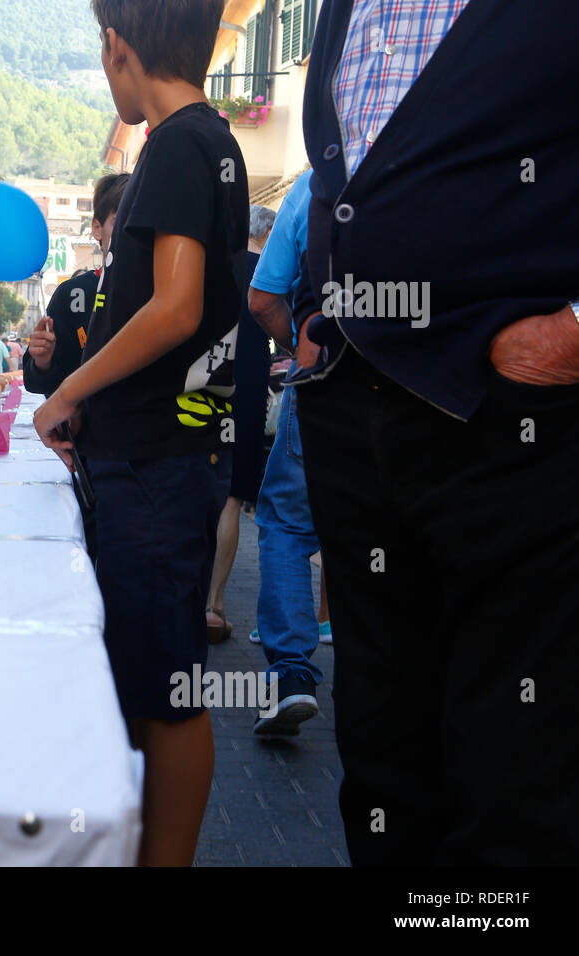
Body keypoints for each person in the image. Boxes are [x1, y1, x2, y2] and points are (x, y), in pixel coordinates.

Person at [289, 0, 579, 866]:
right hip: (355, 407)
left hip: (517, 422)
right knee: (384, 760)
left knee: (512, 777)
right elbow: (349, 174)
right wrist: (317, 314)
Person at [33, 0, 245, 867]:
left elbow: (175, 306)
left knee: (168, 693)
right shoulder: (204, 141)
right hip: (165, 451)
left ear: (120, 47)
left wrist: (66, 393)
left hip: (159, 461)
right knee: (160, 680)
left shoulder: (179, 145)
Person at [243, 171, 331, 739]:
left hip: (327, 371)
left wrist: (295, 344)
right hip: (439, 386)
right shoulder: (464, 150)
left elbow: (263, 295)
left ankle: (292, 676)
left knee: (289, 525)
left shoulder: (318, 179)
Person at [203, 204, 274, 642]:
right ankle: (214, 605)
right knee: (231, 499)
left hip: (205, 384)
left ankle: (186, 597)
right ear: (265, 238)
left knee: (196, 485)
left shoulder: (214, 267)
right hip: (247, 387)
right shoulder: (269, 273)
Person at [24, 172, 130, 396]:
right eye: (119, 221)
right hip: (83, 429)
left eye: (137, 221)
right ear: (97, 228)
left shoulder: (164, 297)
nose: (130, 232)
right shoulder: (70, 294)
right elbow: (35, 383)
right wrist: (43, 361)